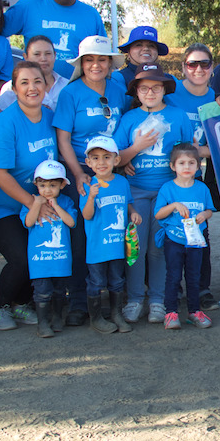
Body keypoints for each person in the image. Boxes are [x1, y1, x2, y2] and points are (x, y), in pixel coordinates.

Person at [114, 64, 205, 323]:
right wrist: (132, 152)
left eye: (156, 87)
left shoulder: (178, 116)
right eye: (144, 88)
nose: (150, 92)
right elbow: (116, 157)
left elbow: (190, 155)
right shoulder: (129, 119)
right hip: (137, 191)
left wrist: (192, 192)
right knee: (136, 246)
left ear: (164, 89)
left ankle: (157, 300)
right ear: (136, 92)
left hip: (169, 193)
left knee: (158, 247)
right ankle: (134, 298)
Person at [53, 35, 130, 325]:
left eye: (101, 59)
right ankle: (79, 303)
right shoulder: (70, 93)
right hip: (80, 171)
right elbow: (62, 138)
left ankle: (114, 303)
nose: (95, 65)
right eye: (89, 59)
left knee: (112, 235)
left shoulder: (118, 88)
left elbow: (122, 129)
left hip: (112, 170)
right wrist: (77, 173)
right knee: (81, 238)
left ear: (110, 63)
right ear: (81, 64)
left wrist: (126, 160)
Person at [0, 61, 57, 330]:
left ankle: (22, 303)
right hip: (0, 205)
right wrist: (33, 202)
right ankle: (1, 308)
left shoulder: (49, 117)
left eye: (37, 81)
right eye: (24, 83)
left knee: (43, 251)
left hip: (34, 203)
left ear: (46, 86)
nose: (32, 88)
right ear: (14, 89)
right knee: (23, 255)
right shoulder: (5, 122)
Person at [165, 42, 220, 308]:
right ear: (182, 68)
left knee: (200, 230)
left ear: (212, 68)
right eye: (192, 64)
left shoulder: (218, 100)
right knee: (170, 232)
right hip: (169, 172)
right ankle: (170, 289)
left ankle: (201, 290)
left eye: (204, 64)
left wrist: (203, 152)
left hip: (198, 176)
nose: (198, 69)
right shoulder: (170, 93)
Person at [1, 0, 107, 78]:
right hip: (36, 92)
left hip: (75, 92)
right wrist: (3, 73)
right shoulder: (28, 7)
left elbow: (102, 55)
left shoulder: (91, 15)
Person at [153, 142, 216, 330]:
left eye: (191, 163)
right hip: (174, 240)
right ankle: (171, 312)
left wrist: (204, 215)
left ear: (198, 166)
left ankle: (194, 311)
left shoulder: (202, 188)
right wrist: (173, 206)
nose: (186, 167)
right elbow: (158, 214)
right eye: (181, 163)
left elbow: (209, 210)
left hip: (196, 242)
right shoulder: (167, 188)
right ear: (173, 166)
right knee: (173, 276)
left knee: (194, 276)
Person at [80, 136, 139, 334]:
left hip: (117, 245)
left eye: (106, 157)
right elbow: (87, 216)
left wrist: (133, 212)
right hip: (98, 247)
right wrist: (91, 197)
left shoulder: (122, 182)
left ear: (116, 160)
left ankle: (116, 314)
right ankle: (96, 318)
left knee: (117, 280)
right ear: (88, 163)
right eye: (95, 158)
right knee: (96, 282)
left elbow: (127, 201)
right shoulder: (88, 187)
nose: (101, 162)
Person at [24, 159, 78, 338]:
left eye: (53, 185)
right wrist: (37, 204)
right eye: (42, 185)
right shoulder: (32, 202)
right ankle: (43, 323)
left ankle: (57, 318)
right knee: (42, 291)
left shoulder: (66, 201)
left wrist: (56, 206)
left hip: (60, 258)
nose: (47, 190)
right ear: (36, 185)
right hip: (40, 261)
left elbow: (71, 222)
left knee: (59, 290)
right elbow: (28, 222)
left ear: (62, 184)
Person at [0, 35, 68, 112]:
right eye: (37, 54)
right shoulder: (10, 89)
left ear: (54, 56)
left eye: (48, 53)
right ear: (26, 57)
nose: (43, 59)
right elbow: (5, 119)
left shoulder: (67, 86)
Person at [113, 25, 177, 89]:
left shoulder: (170, 80)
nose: (146, 49)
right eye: (139, 45)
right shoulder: (116, 79)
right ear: (128, 52)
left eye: (151, 45)